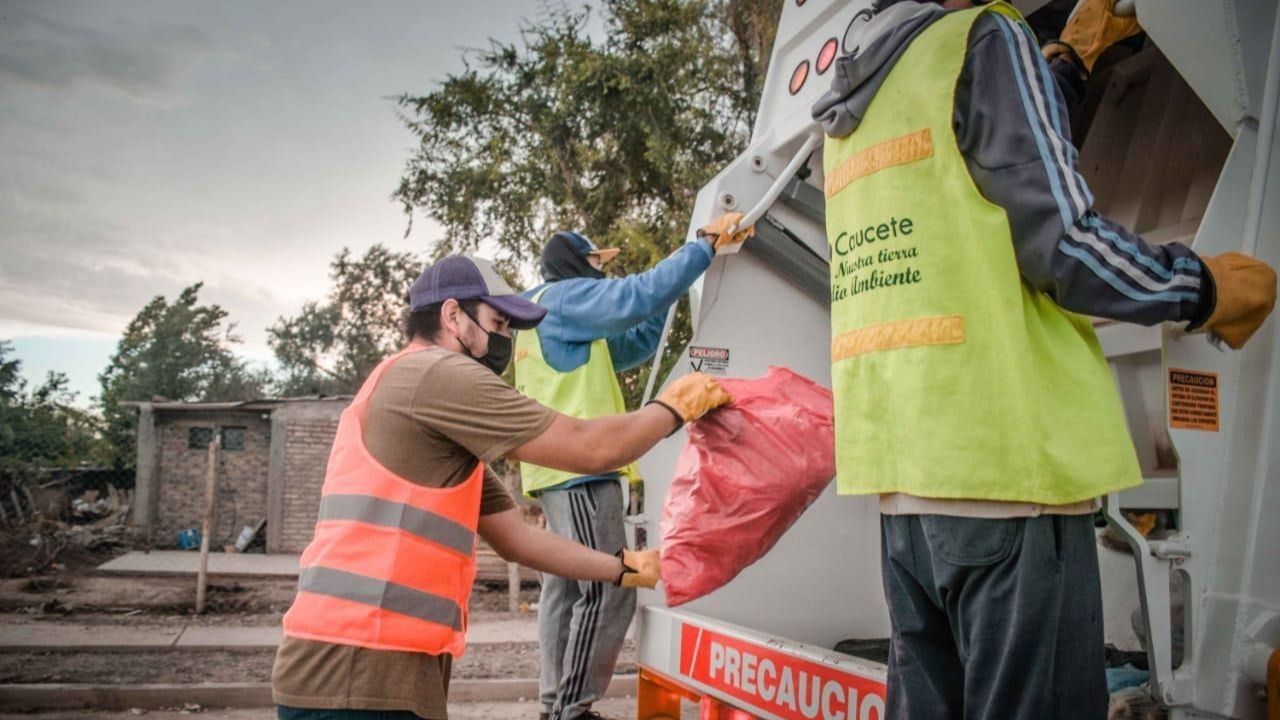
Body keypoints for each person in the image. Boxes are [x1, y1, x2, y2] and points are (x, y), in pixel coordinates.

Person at [811, 1, 1276, 718]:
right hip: (1006, 481)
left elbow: (983, 155)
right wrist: (1202, 288)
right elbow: (1067, 245)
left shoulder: (859, 92)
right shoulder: (987, 39)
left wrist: (1064, 63)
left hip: (905, 491)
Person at [271, 254, 733, 720]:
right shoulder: (438, 374)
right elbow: (589, 447)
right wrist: (673, 407)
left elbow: (518, 540)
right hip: (359, 671)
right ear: (453, 316)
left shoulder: (408, 393)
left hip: (363, 667)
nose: (506, 339)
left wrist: (623, 569)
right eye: (498, 322)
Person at [513, 216, 753, 720]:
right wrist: (700, 248)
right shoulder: (561, 298)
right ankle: (572, 710)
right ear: (578, 264)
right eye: (597, 262)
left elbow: (638, 336)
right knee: (609, 584)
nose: (600, 273)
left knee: (564, 590)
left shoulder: (550, 314)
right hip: (579, 469)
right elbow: (632, 298)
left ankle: (553, 706)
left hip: (557, 471)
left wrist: (683, 285)